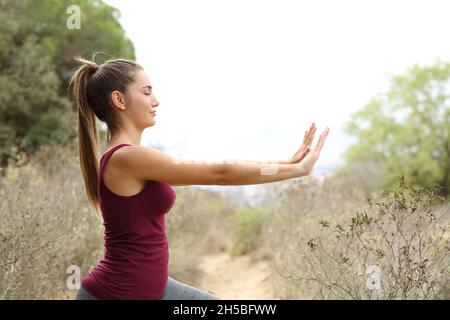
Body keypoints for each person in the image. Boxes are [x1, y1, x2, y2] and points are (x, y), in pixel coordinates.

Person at [69, 54, 330, 300]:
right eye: (146, 92)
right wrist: (296, 171)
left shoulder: (138, 161)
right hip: (116, 294)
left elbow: (218, 171)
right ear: (119, 100)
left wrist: (288, 162)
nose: (156, 101)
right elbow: (221, 174)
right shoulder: (127, 158)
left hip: (152, 289)